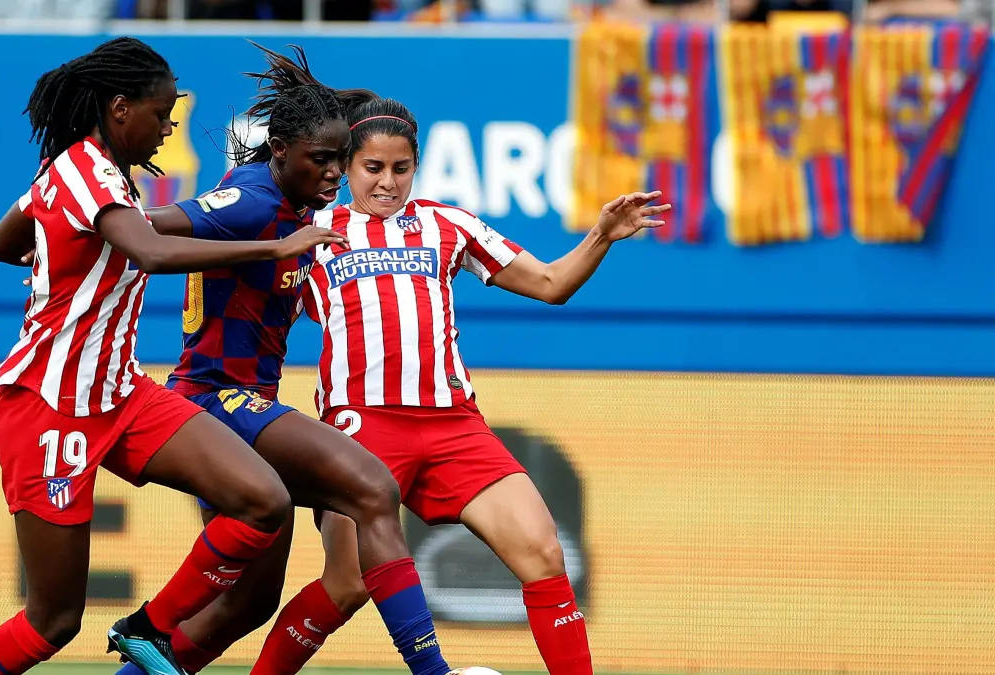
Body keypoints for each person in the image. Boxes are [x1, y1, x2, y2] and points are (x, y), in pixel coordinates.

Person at [164, 93, 670, 675]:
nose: (387, 182)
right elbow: (249, 300)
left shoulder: (448, 224)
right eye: (372, 167)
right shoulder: (310, 228)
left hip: (454, 425)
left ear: (416, 166)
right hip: (361, 428)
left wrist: (601, 234)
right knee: (347, 583)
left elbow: (552, 284)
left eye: (400, 168)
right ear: (346, 166)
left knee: (544, 553)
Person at [0, 37, 346, 675]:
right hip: (50, 406)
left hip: (123, 393)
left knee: (264, 499)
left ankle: (148, 629)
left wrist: (55, 252)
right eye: (161, 113)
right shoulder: (86, 171)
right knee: (53, 621)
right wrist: (274, 248)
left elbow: (1, 245)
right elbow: (153, 253)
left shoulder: (92, 175)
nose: (168, 128)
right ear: (120, 109)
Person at [80, 43, 453, 675]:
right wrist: (69, 229)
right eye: (323, 159)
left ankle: (138, 658)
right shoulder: (254, 203)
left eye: (340, 159)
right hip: (214, 399)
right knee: (373, 488)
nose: (335, 174)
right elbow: (149, 224)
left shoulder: (296, 207)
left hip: (243, 402)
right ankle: (432, 671)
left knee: (249, 602)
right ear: (280, 150)